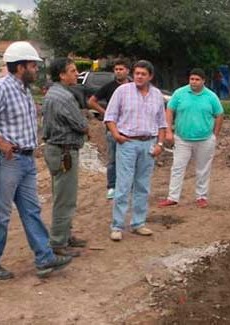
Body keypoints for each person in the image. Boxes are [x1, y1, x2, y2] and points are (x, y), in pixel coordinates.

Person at [0, 41, 72, 280]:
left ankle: (45, 258)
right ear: (20, 66)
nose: (36, 69)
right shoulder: (1, 87)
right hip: (7, 159)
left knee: (31, 210)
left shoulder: (23, 89)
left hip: (25, 160)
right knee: (0, 213)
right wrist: (0, 141)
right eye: (33, 66)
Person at [103, 60, 167, 241]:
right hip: (127, 143)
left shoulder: (156, 95)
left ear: (150, 76)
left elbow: (162, 123)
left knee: (143, 185)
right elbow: (110, 117)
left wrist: (160, 145)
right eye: (137, 73)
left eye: (143, 74)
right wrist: (116, 135)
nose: (139, 77)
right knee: (123, 185)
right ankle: (117, 225)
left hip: (148, 144)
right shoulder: (122, 91)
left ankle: (138, 223)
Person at [41, 58, 89, 257]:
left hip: (56, 149)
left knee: (62, 195)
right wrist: (85, 127)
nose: (76, 73)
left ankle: (66, 235)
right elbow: (81, 124)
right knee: (65, 199)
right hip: (64, 152)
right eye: (73, 70)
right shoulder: (64, 97)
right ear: (62, 75)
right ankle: (59, 243)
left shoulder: (53, 93)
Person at [158, 68, 223, 208]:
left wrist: (214, 135)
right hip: (182, 138)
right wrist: (168, 131)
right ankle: (172, 197)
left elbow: (219, 114)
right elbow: (169, 110)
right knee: (177, 168)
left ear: (203, 81)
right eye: (192, 79)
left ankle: (201, 196)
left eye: (197, 79)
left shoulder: (211, 96)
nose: (194, 82)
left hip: (205, 139)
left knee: (203, 169)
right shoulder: (179, 93)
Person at [88, 58, 131, 200]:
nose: (118, 72)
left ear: (127, 71)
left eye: (121, 69)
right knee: (112, 159)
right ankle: (112, 187)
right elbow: (91, 101)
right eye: (116, 69)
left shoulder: (133, 86)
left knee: (129, 159)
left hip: (130, 129)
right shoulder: (109, 87)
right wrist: (105, 113)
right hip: (112, 129)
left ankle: (127, 185)